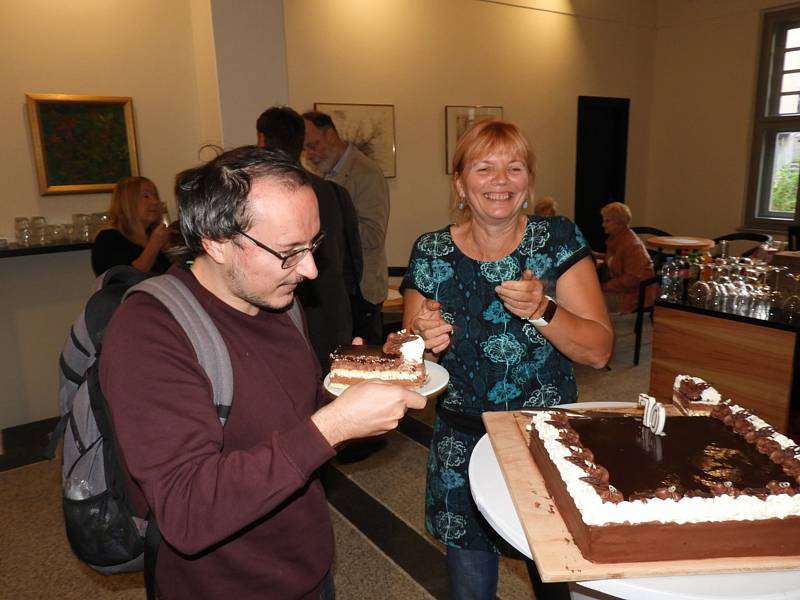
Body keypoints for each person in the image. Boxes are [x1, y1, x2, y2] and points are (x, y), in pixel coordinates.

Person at [98, 146, 425, 600]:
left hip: (307, 568)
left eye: (313, 246)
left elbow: (298, 426)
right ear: (214, 240)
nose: (309, 270)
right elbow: (186, 511)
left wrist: (350, 395)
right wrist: (334, 424)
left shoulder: (278, 302)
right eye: (289, 252)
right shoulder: (149, 333)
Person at [401, 120, 613, 600]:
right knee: (470, 589)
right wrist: (419, 338)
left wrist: (543, 310)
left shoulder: (557, 239)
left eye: (514, 168)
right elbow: (409, 361)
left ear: (528, 181)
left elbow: (599, 351)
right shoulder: (431, 251)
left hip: (543, 443)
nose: (501, 181)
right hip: (462, 444)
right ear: (460, 183)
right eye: (485, 168)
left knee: (557, 583)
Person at [257, 106, 363, 371]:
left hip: (278, 322)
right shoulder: (334, 193)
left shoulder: (254, 197)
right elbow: (353, 263)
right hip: (333, 316)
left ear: (261, 140)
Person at [302, 110, 390, 345]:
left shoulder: (366, 172)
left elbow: (373, 235)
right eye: (305, 148)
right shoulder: (323, 174)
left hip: (362, 293)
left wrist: (334, 221)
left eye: (313, 145)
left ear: (330, 135)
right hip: (336, 290)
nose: (309, 154)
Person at [91, 176, 172, 275]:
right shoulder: (108, 238)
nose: (155, 202)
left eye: (155, 196)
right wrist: (154, 245)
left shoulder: (149, 235)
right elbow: (127, 278)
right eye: (146, 196)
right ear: (127, 202)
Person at [595, 201, 657, 313]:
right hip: (625, 292)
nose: (603, 224)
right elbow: (616, 260)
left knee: (585, 300)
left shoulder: (632, 246)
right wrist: (594, 255)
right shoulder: (619, 239)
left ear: (619, 222)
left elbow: (631, 280)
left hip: (634, 298)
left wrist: (602, 286)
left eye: (607, 221)